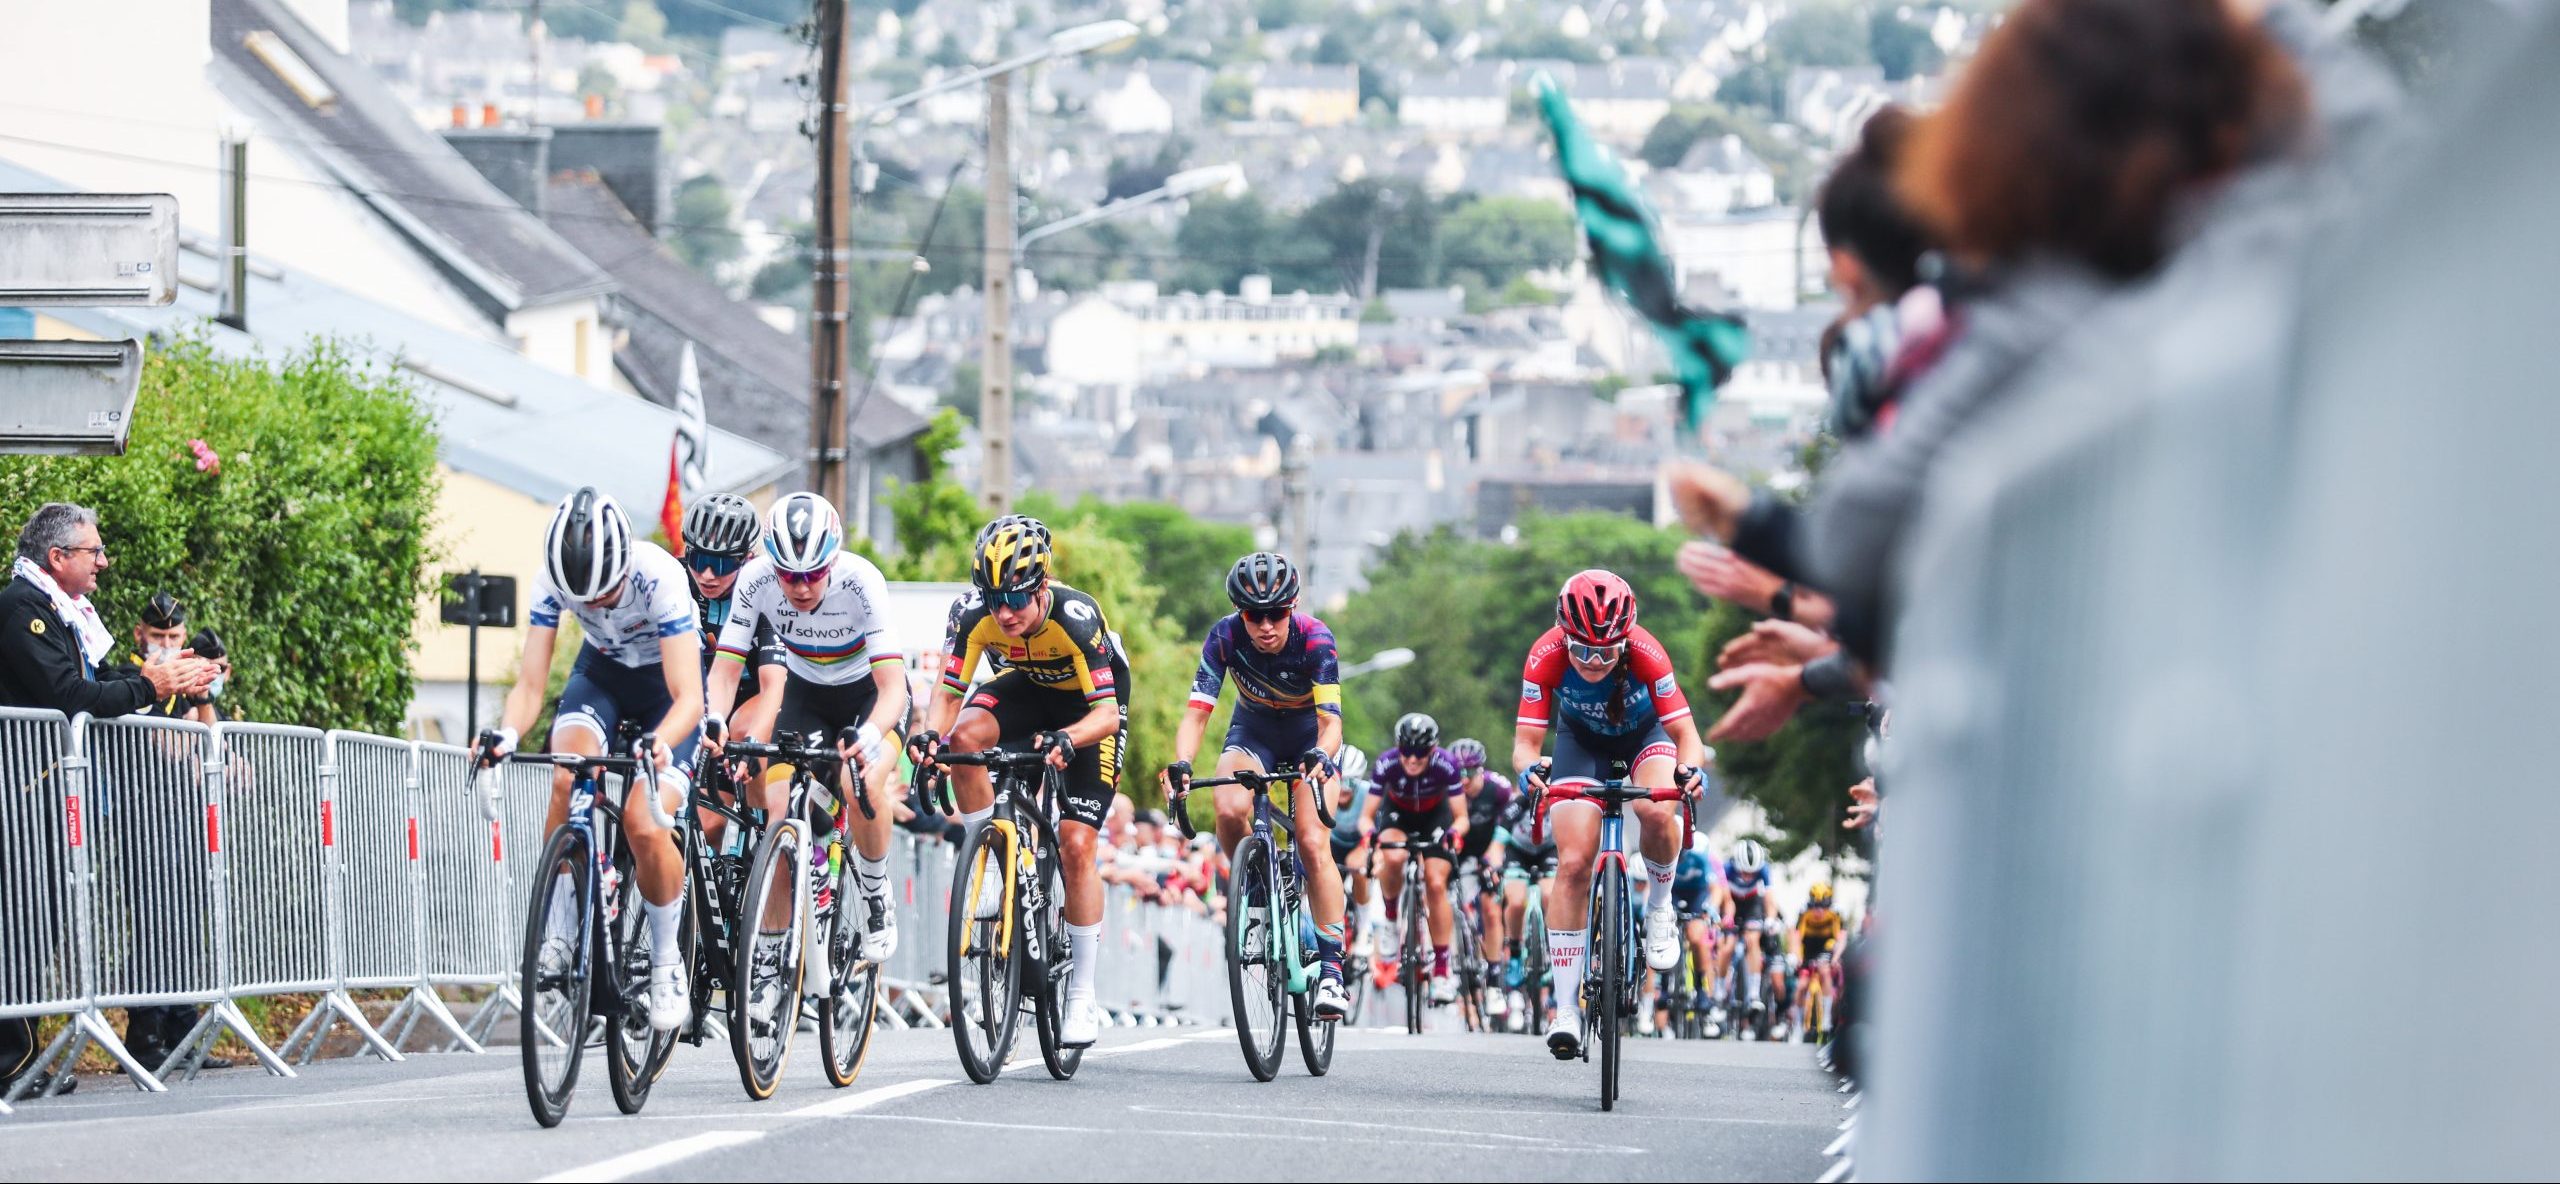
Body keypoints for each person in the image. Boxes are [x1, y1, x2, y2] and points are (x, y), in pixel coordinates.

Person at [1, 504, 217, 1096]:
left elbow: (95, 676)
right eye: (93, 551)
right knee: (21, 922)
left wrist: (167, 678)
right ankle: (10, 1062)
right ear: (58, 557)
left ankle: (21, 1057)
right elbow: (69, 692)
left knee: (37, 924)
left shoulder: (56, 607)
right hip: (22, 785)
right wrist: (153, 684)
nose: (102, 561)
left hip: (46, 785)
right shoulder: (24, 607)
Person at [470, 488, 701, 1032]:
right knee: (564, 776)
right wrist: (505, 734)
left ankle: (668, 962)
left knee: (645, 825)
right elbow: (530, 685)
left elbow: (689, 696)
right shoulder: (552, 578)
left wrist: (662, 739)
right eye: (585, 601)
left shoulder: (659, 576)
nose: (596, 607)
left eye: (606, 594)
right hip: (600, 677)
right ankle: (560, 928)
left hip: (667, 693)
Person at [909, 516, 1128, 1048]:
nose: (1003, 613)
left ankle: (1081, 994)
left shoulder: (1077, 617)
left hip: (1089, 710)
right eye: (993, 598)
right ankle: (989, 858)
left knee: (1077, 844)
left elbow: (1107, 714)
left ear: (1043, 587)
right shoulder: (971, 613)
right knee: (963, 739)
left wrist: (1072, 739)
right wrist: (929, 736)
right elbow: (947, 689)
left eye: (1017, 599)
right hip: (1027, 690)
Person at [1514, 570, 1707, 1060]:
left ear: (1625, 639)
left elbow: (1687, 737)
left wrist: (1690, 772)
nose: (1593, 662)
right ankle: (1565, 1009)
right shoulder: (1544, 654)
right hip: (1579, 745)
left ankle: (1660, 906)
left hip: (1646, 739)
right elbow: (1525, 746)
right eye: (1582, 651)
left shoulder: (1646, 650)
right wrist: (1527, 772)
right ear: (1564, 636)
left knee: (1657, 808)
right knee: (1574, 863)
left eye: (1606, 651)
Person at [1165, 551, 1352, 1019]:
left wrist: (1322, 757)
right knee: (1228, 807)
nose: (1266, 625)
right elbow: (1197, 713)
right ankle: (1254, 893)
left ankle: (1332, 971)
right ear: (1240, 613)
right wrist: (1183, 763)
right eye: (1254, 615)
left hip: (1311, 736)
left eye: (1276, 614)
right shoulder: (1225, 637)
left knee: (1312, 841)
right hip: (1255, 731)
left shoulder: (1316, 639)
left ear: (1292, 608)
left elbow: (1332, 724)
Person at [676, 493, 787, 854]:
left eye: (721, 565)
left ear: (747, 559)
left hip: (759, 691)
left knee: (742, 729)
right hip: (709, 696)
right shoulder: (677, 581)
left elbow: (775, 685)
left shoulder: (763, 587)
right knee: (707, 822)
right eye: (699, 559)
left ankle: (766, 838)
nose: (707, 574)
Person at [1360, 712, 1466, 1004]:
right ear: (1399, 748)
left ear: (1432, 750)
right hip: (1399, 815)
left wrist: (1455, 832)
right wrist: (1370, 832)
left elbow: (1461, 817)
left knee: (1435, 882)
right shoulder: (1386, 763)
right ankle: (1392, 921)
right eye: (1407, 752)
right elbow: (1366, 816)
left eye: (1420, 754)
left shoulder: (1447, 764)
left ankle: (1443, 971)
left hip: (1435, 816)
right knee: (1393, 857)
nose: (1413, 760)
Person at [1447, 738, 1514, 1018]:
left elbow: (1508, 821)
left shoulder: (1497, 788)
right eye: (1458, 773)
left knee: (1490, 906)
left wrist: (1494, 857)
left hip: (1489, 849)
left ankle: (1496, 980)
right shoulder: (1446, 788)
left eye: (1469, 773)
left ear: (1481, 770)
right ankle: (1447, 965)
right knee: (1440, 896)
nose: (1463, 780)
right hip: (1459, 850)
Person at [1719, 838, 1774, 1025]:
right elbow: (1724, 897)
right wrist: (1725, 920)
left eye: (1753, 873)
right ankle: (1719, 991)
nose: (1749, 877)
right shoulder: (1726, 868)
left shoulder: (1764, 869)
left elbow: (1769, 899)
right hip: (1731, 903)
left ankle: (1753, 993)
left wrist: (1771, 919)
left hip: (1751, 905)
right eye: (1745, 872)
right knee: (1727, 946)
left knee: (1753, 939)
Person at [1793, 881, 1846, 1035]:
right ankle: (1797, 1024)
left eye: (1822, 907)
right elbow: (1797, 937)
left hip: (1826, 946)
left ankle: (1827, 1018)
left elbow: (1841, 939)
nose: (1818, 911)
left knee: (1824, 970)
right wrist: (1796, 956)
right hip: (1808, 946)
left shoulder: (1835, 913)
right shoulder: (1804, 912)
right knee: (1801, 985)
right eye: (1815, 906)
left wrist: (1836, 958)